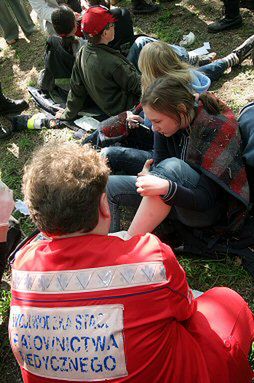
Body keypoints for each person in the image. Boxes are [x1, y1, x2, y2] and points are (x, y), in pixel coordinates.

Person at [8, 141, 254, 383]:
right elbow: (186, 310)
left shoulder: (21, 265)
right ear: (105, 207)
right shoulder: (150, 257)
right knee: (226, 301)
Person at [106, 75, 250, 235]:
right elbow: (159, 165)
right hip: (171, 197)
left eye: (157, 122)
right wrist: (150, 175)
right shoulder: (167, 122)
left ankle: (129, 243)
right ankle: (107, 248)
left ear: (181, 110)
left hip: (204, 212)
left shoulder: (213, 127)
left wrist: (166, 188)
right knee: (108, 186)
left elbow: (205, 199)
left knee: (174, 166)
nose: (153, 128)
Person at [102, 38, 254, 176]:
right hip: (166, 142)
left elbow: (162, 153)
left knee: (112, 147)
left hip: (166, 147)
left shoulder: (166, 99)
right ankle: (229, 59)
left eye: (158, 121)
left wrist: (143, 122)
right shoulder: (183, 79)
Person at [58, 6, 141, 120]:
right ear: (105, 33)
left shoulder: (82, 52)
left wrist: (67, 114)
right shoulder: (114, 64)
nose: (114, 27)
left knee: (141, 44)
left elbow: (76, 90)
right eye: (112, 25)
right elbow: (139, 87)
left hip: (109, 105)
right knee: (144, 44)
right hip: (127, 106)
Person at [38, 5, 86, 100]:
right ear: (75, 25)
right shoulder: (83, 45)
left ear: (55, 28)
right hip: (81, 91)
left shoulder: (51, 44)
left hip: (63, 90)